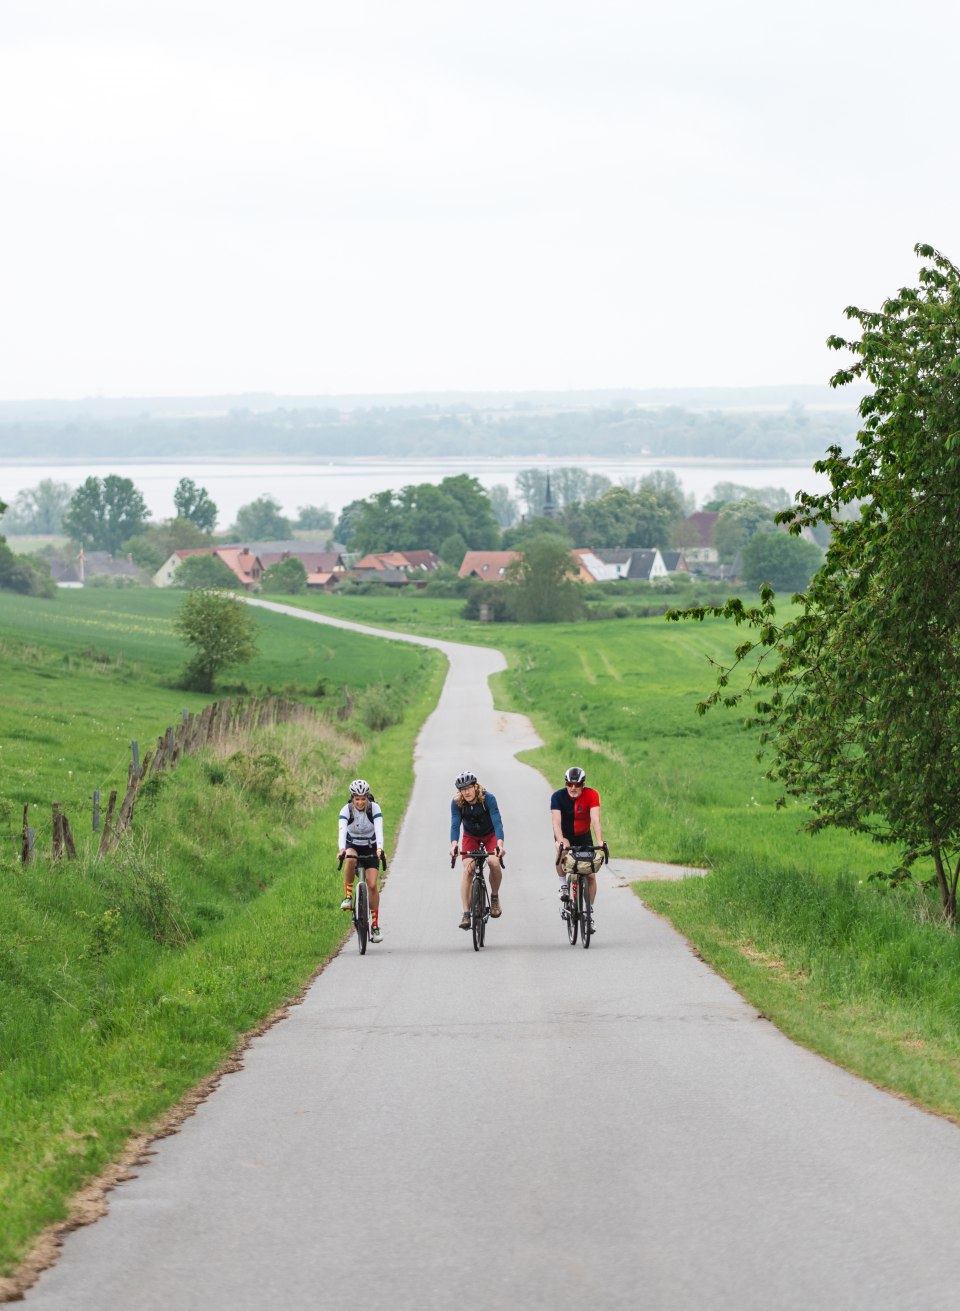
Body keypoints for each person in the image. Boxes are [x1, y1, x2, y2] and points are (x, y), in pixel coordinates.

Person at [550, 765, 605, 931]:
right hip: (565, 834)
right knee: (562, 851)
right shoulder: (557, 797)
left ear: (583, 784)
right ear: (566, 783)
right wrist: (560, 841)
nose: (573, 788)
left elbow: (595, 820)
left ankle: (589, 913)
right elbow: (556, 823)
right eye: (570, 784)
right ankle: (563, 885)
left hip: (583, 836)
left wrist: (600, 841)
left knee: (591, 876)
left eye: (577, 785)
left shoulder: (592, 794)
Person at [449, 771, 505, 930]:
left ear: (475, 786)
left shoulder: (488, 799)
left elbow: (497, 822)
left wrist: (499, 844)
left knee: (494, 862)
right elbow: (455, 825)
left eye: (468, 788)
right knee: (468, 870)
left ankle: (494, 897)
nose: (466, 792)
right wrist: (454, 845)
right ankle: (466, 914)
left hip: (490, 835)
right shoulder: (457, 803)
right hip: (470, 836)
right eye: (462, 789)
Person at [338, 778, 385, 943]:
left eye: (363, 799)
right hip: (353, 845)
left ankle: (375, 926)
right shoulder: (346, 810)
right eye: (357, 799)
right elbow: (342, 831)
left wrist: (380, 848)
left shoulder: (374, 808)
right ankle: (348, 897)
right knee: (350, 859)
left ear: (367, 798)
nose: (360, 802)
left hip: (371, 846)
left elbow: (379, 830)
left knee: (372, 885)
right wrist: (341, 849)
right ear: (352, 798)